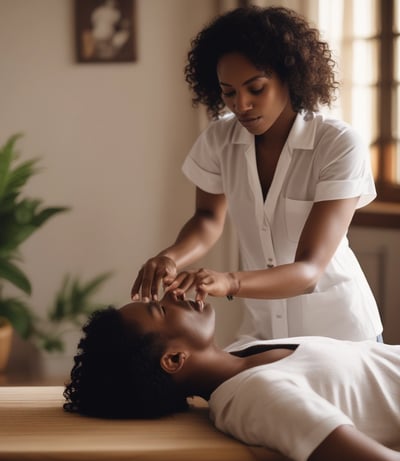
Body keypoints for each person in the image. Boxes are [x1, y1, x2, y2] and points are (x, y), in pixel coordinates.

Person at [130, 6, 383, 346]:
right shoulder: (219, 139)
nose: (241, 104)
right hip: (262, 333)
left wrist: (230, 282)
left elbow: (309, 270)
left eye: (256, 88)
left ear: (289, 78)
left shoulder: (337, 144)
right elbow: (207, 218)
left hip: (340, 333)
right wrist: (170, 257)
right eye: (229, 92)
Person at [64, 293, 400, 461]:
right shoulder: (258, 396)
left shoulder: (245, 351)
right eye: (163, 310)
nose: (174, 294)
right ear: (174, 359)